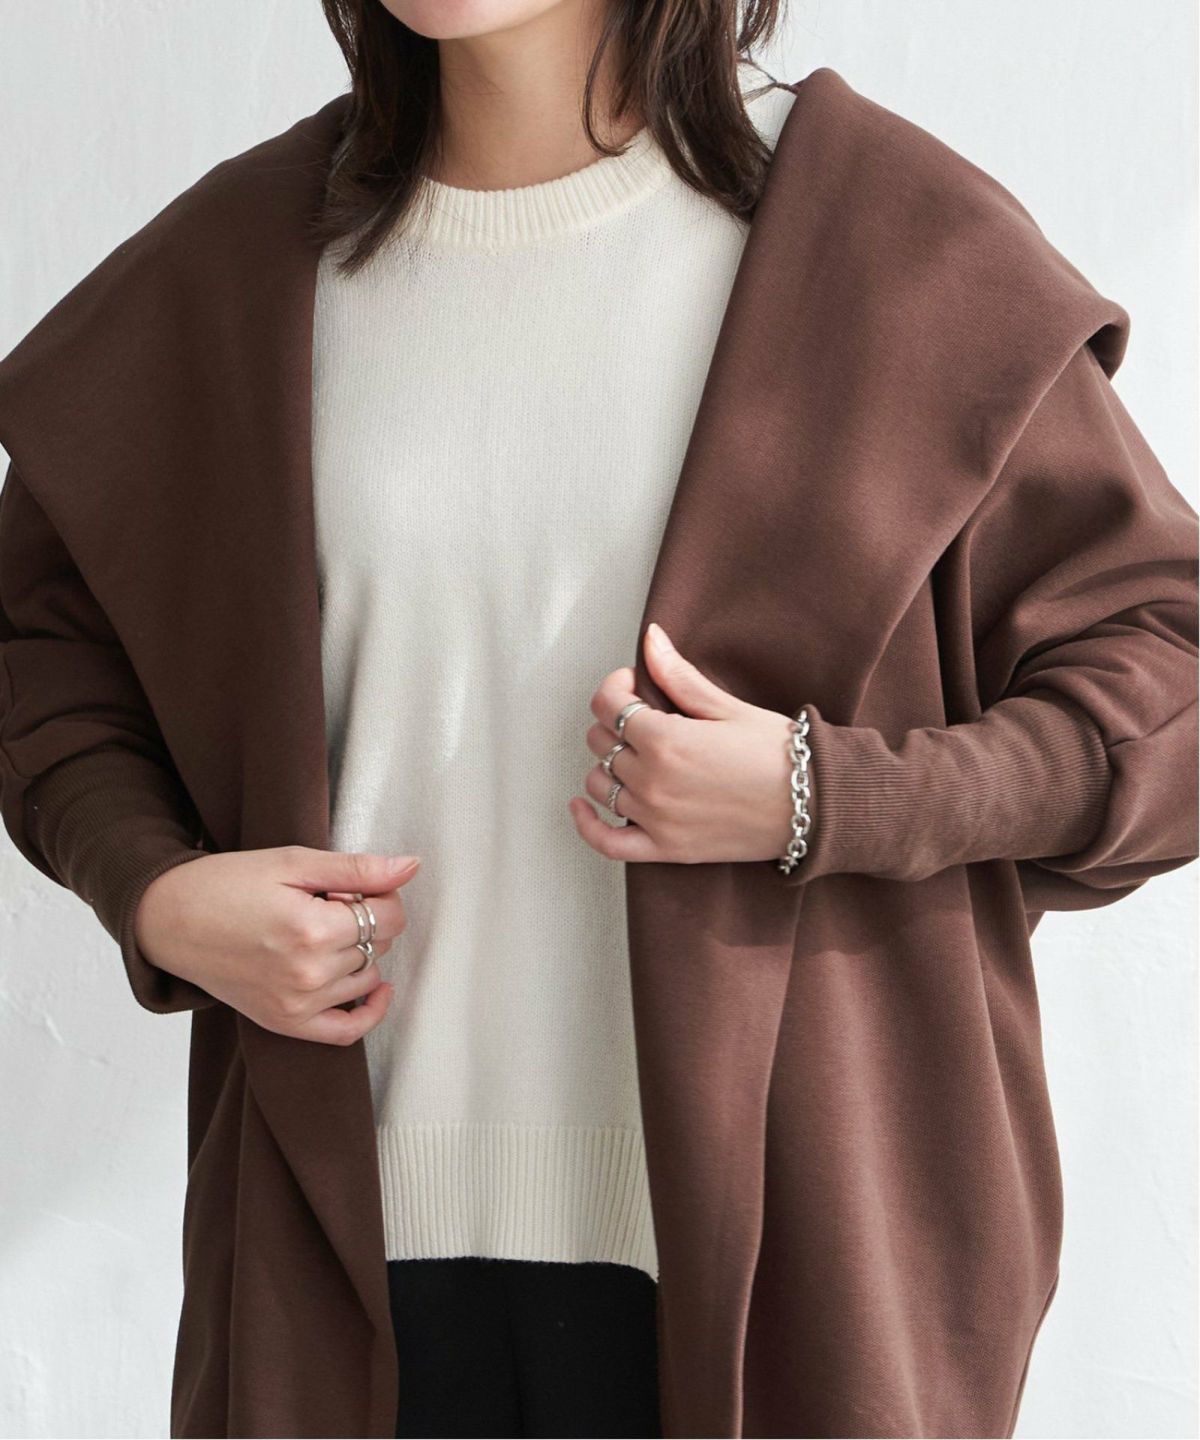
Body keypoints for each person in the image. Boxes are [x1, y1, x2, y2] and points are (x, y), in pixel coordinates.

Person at [0, 3, 1195, 1438]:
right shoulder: (248, 262)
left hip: (792, 1269)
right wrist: (156, 893)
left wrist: (824, 795)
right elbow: (42, 654)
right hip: (347, 1281)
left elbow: (1169, 680)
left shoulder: (880, 239)